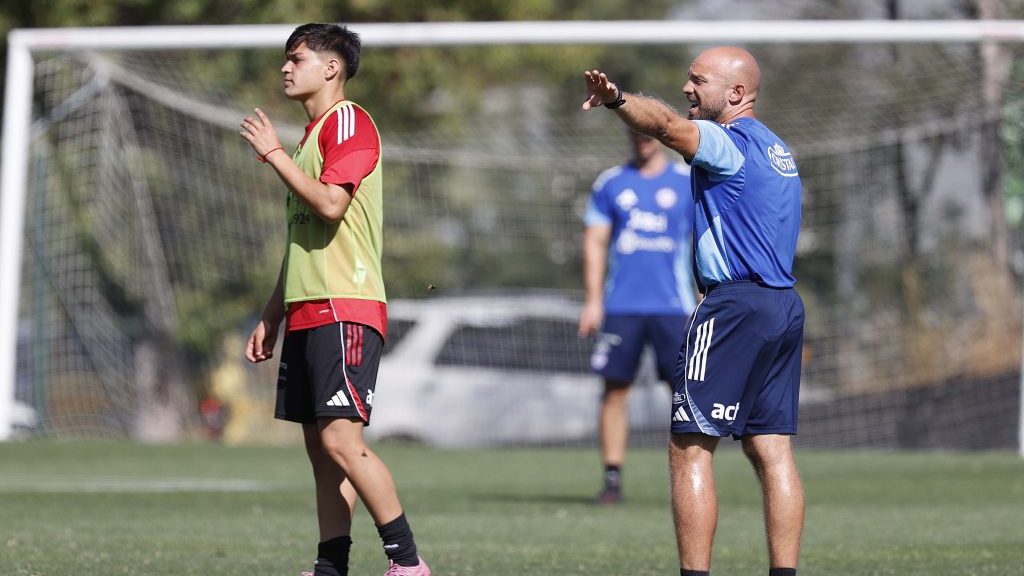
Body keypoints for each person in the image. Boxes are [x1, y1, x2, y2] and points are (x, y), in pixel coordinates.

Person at [582, 47, 805, 576]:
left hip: (733, 308)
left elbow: (663, 125)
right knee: (771, 450)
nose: (686, 89)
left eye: (697, 80)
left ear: (735, 94)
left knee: (689, 447)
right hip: (783, 307)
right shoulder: (779, 149)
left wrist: (616, 99)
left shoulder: (727, 143)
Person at [241, 23, 430, 576]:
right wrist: (271, 314)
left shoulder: (347, 120)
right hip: (305, 310)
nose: (285, 67)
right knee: (323, 456)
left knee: (343, 444)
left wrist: (273, 155)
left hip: (344, 305)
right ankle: (331, 566)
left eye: (296, 58)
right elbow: (301, 237)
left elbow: (329, 205)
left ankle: (409, 563)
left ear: (331, 68)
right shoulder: (306, 138)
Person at [579, 130, 696, 504]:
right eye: (634, 132)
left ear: (660, 135)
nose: (641, 139)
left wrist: (705, 295)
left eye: (648, 133)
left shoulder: (686, 180)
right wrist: (593, 300)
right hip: (621, 306)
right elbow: (595, 241)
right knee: (614, 390)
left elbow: (706, 239)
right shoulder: (612, 182)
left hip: (674, 307)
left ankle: (689, 476)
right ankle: (612, 478)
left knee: (681, 393)